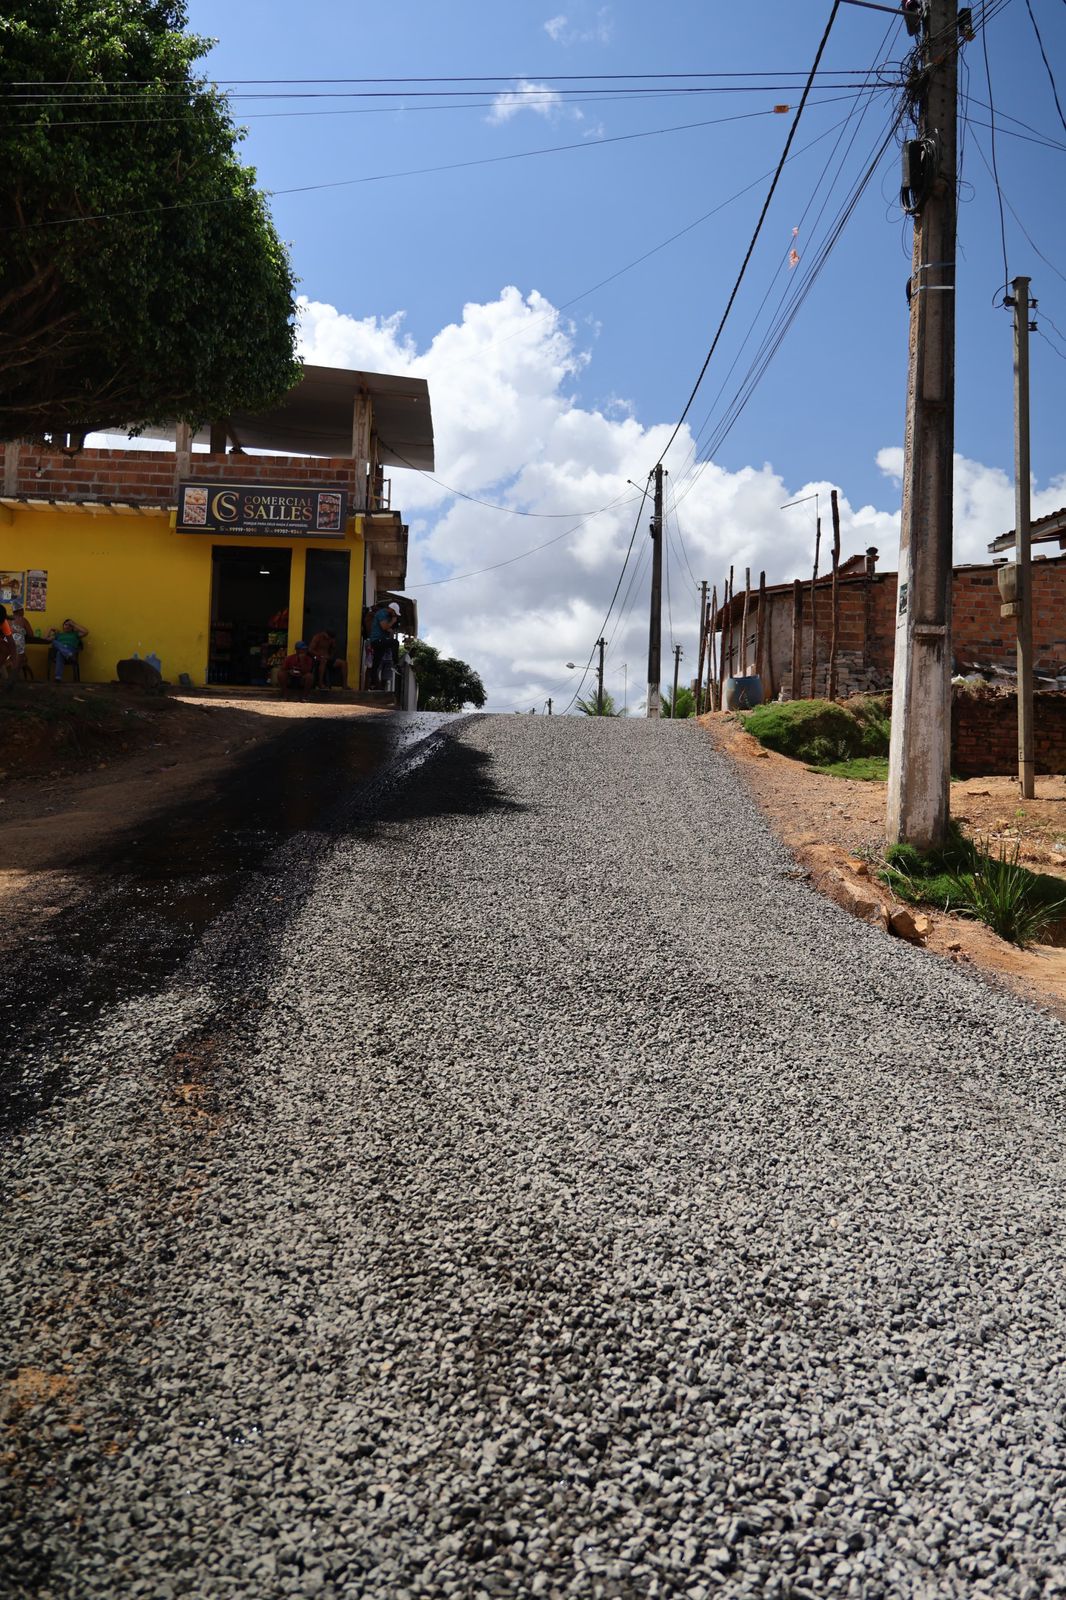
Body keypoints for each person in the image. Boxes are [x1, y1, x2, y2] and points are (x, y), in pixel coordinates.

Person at [368, 601, 400, 687]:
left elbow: (387, 629)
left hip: (380, 641)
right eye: (394, 613)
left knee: (376, 663)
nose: (394, 615)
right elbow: (384, 627)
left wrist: (390, 628)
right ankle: (395, 664)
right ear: (392, 610)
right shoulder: (382, 613)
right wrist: (392, 621)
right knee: (395, 643)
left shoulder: (386, 616)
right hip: (377, 640)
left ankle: (372, 684)